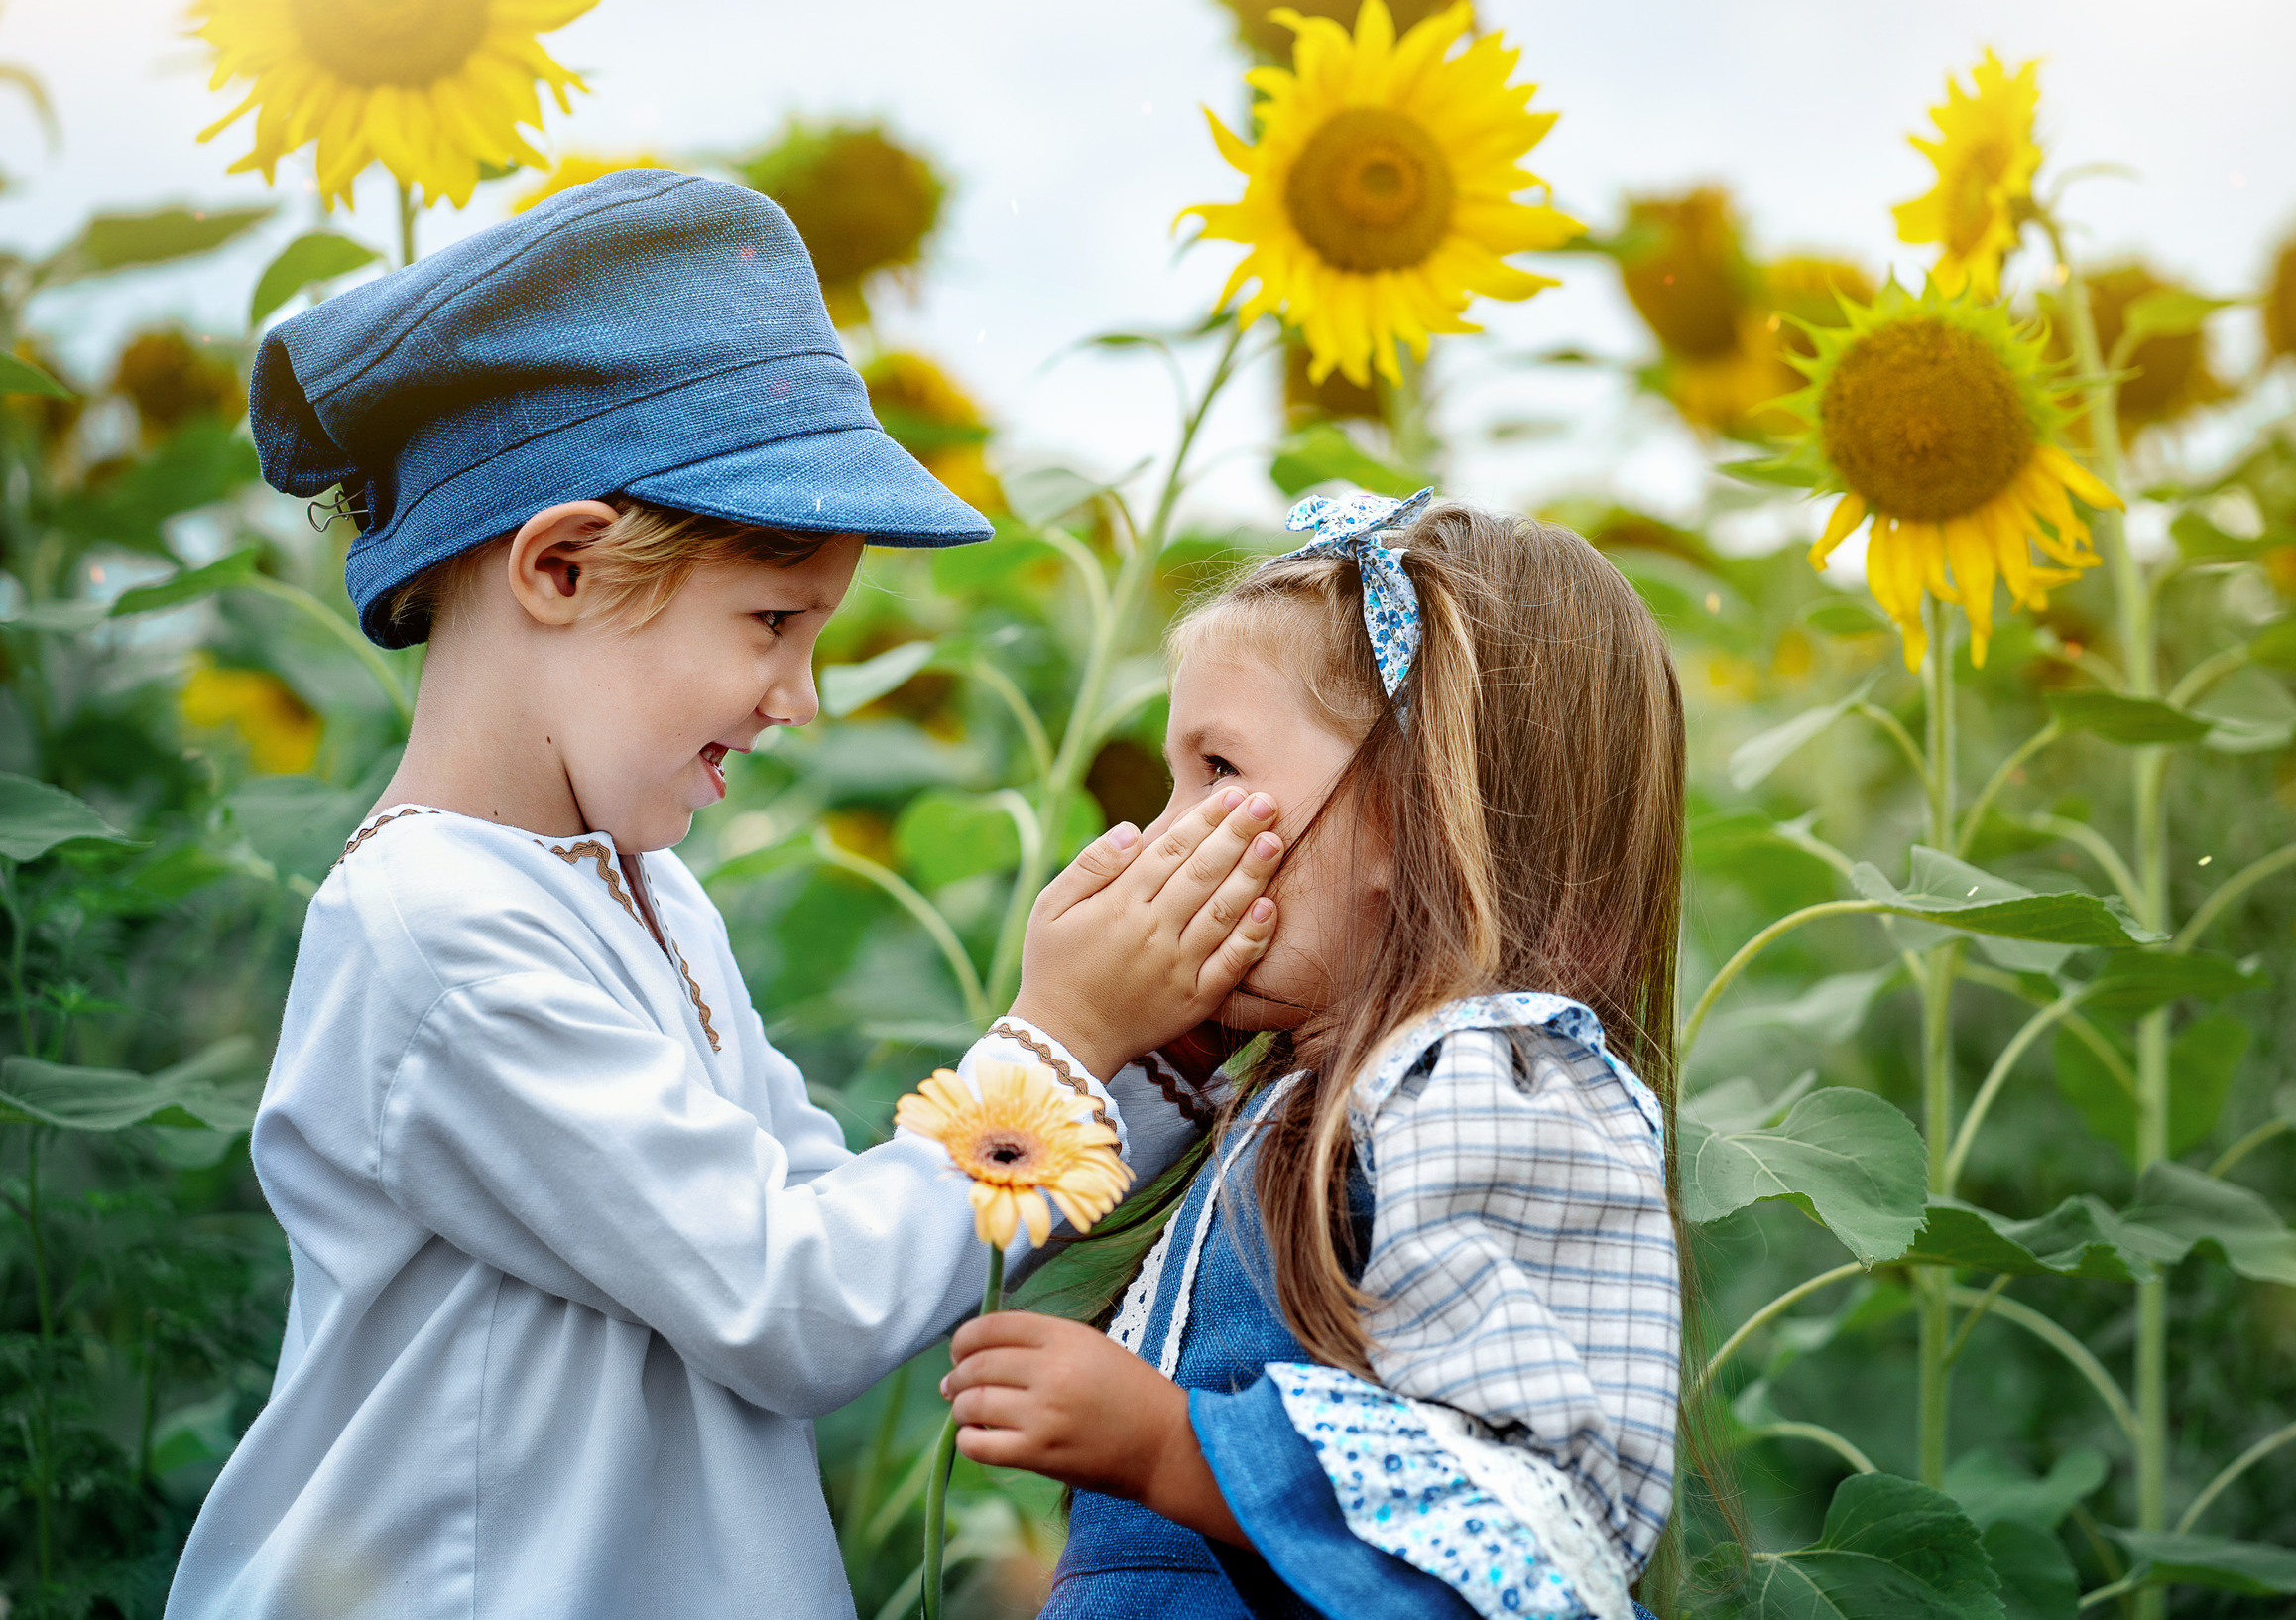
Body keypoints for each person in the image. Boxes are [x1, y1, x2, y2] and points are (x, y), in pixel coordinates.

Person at [168, 171, 1287, 1620]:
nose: (800, 697)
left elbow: (840, 1218)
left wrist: (1139, 1073)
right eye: (773, 622)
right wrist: (1059, 1035)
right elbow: (798, 1302)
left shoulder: (643, 895)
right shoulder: (435, 931)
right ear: (559, 566)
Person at [939, 492, 1689, 1619]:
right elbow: (956, 1237)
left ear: (1416, 809)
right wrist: (1080, 1037)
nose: (1164, 834)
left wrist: (1173, 1450)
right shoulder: (1282, 1080)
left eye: (1219, 769)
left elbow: (1524, 1516)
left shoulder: (1479, 1086)